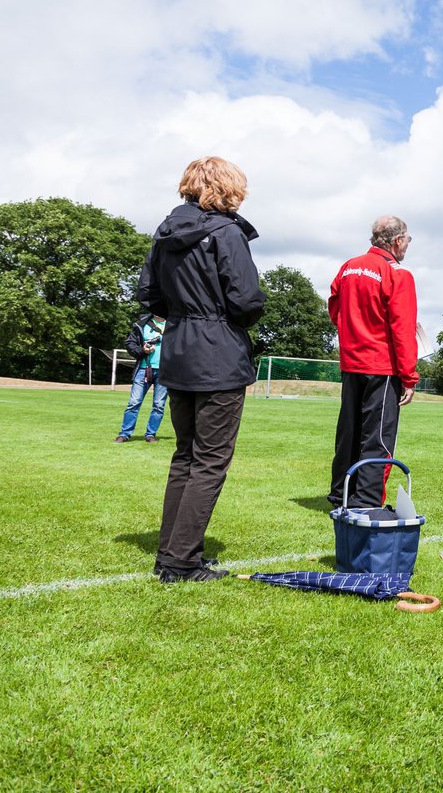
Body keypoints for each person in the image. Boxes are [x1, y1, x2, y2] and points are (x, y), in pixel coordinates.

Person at [138, 156, 266, 583]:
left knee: (186, 455)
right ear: (226, 188)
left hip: (178, 349)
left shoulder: (164, 233)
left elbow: (150, 294)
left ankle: (171, 552)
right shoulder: (228, 232)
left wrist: (184, 314)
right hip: (217, 353)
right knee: (209, 460)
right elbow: (246, 300)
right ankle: (180, 561)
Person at [327, 215, 419, 509]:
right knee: (377, 436)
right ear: (396, 241)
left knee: (349, 431)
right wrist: (409, 376)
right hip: (382, 365)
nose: (408, 245)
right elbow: (402, 329)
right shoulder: (398, 274)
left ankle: (341, 491)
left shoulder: (349, 266)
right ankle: (365, 500)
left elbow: (334, 306)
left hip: (351, 361)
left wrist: (353, 332)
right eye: (408, 239)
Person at [115, 314, 168, 443]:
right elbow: (130, 344)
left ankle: (150, 434)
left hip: (165, 371)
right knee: (134, 403)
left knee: (159, 405)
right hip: (143, 369)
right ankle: (125, 434)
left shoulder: (175, 324)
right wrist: (142, 350)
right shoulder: (142, 324)